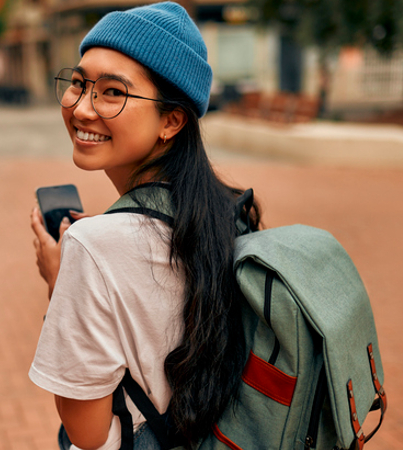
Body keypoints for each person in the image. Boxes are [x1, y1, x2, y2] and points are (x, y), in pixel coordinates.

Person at [28, 3, 261, 450]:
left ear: (172, 120)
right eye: (78, 83)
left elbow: (88, 434)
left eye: (112, 93)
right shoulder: (226, 210)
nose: (81, 108)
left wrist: (62, 282)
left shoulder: (92, 245)